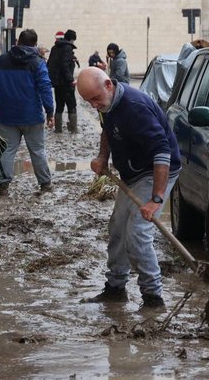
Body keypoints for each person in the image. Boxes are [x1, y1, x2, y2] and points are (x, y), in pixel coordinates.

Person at [76, 67, 181, 309]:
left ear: (108, 85)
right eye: (88, 101)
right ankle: (115, 289)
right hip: (133, 173)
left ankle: (153, 298)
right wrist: (102, 157)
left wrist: (156, 199)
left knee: (138, 234)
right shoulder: (106, 103)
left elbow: (162, 152)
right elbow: (107, 129)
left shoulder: (135, 108)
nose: (93, 105)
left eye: (95, 99)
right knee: (118, 228)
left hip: (155, 171)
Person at [0, 29, 56, 197]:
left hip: (7, 115)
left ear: (17, 42)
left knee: (7, 150)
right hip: (32, 115)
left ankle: (3, 186)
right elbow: (45, 87)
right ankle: (45, 184)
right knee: (37, 151)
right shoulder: (38, 63)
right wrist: (50, 112)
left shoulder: (0, 61)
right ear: (35, 44)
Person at [48, 29, 79, 133]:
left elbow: (51, 63)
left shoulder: (55, 48)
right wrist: (71, 80)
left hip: (57, 83)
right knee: (72, 105)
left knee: (59, 106)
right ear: (71, 39)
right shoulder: (68, 48)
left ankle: (58, 129)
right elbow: (64, 64)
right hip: (66, 83)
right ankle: (73, 129)